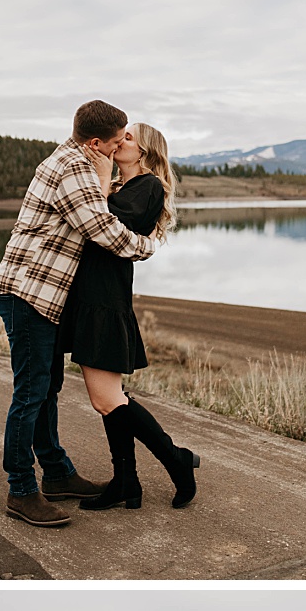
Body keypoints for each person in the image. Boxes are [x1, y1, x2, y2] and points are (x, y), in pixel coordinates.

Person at [0, 101, 158, 529]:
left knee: (46, 388)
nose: (125, 142)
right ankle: (21, 490)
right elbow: (104, 233)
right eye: (120, 137)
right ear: (97, 142)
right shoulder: (74, 171)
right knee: (31, 392)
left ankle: (58, 473)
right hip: (29, 292)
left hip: (41, 294)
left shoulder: (80, 161)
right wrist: (148, 246)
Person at [62, 123, 200, 512]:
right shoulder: (122, 186)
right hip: (90, 298)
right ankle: (126, 481)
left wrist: (103, 179)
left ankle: (177, 460)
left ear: (145, 152)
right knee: (111, 400)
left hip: (105, 300)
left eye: (128, 138)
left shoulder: (148, 187)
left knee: (106, 400)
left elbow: (104, 227)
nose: (119, 141)